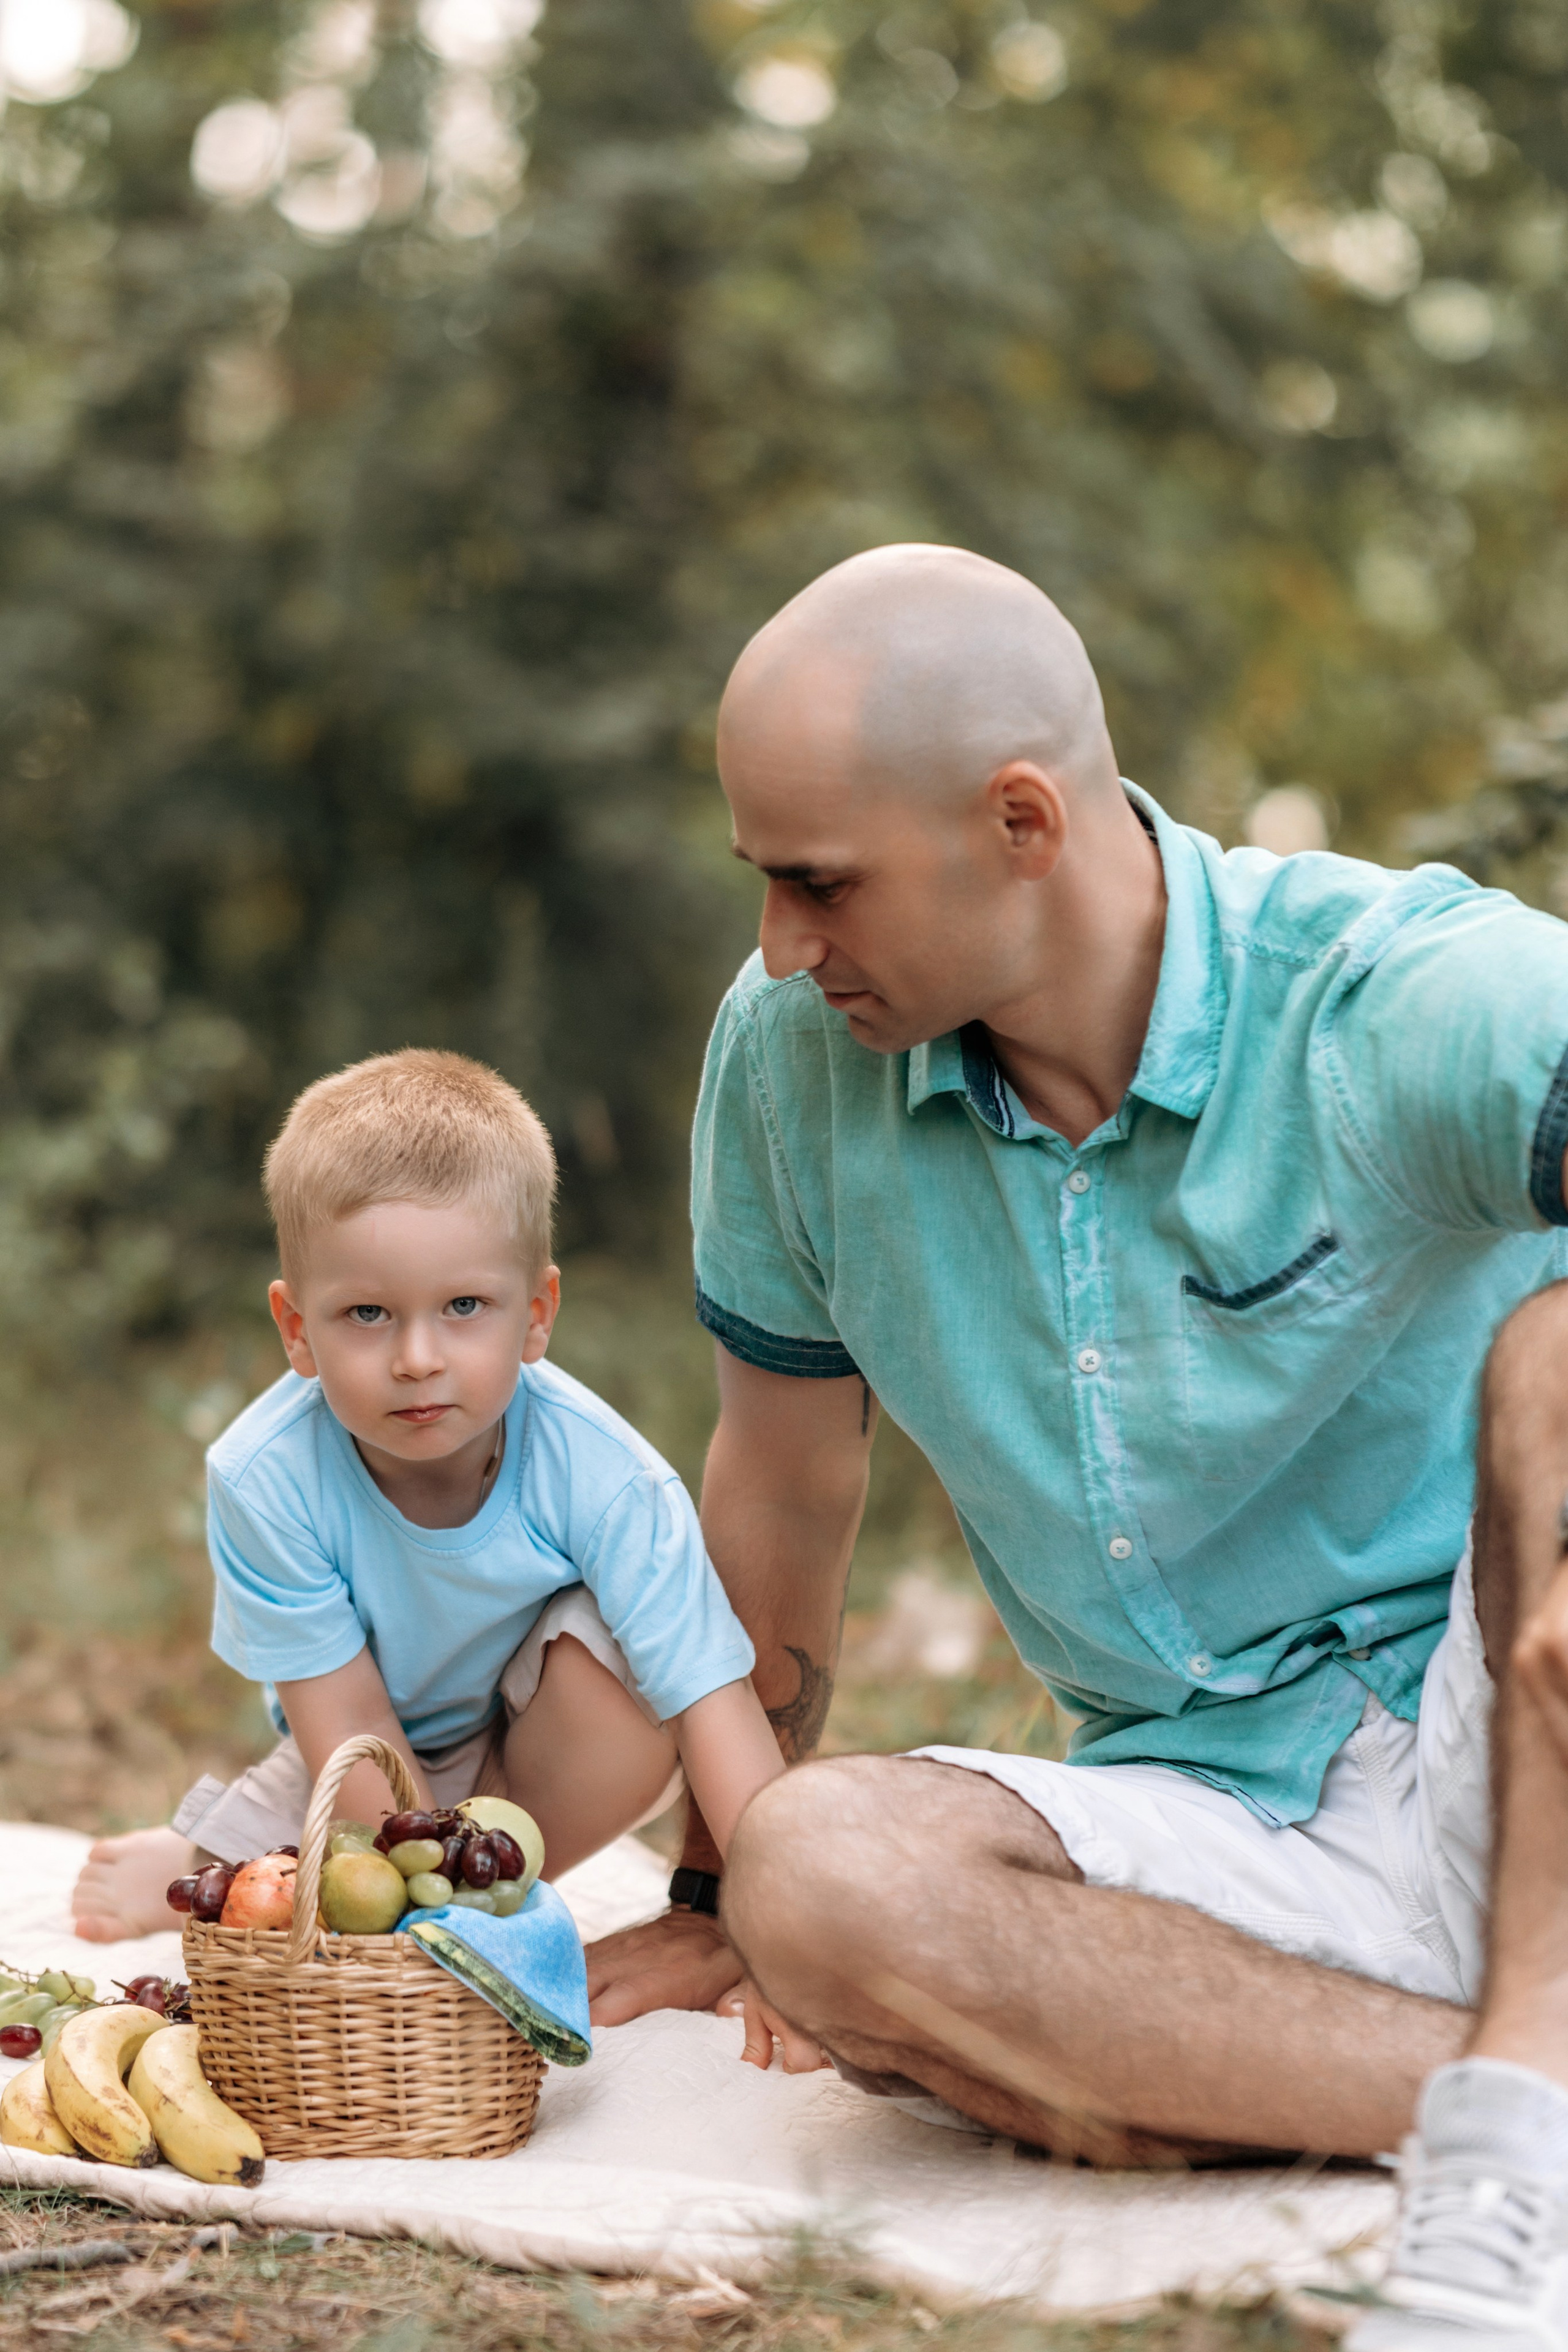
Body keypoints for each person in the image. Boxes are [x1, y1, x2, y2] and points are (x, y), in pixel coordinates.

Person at [586, 543, 1568, 2350]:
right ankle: (1508, 2093)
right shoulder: (788, 1065)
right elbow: (784, 1482)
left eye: (821, 884)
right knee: (820, 1873)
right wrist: (717, 1891)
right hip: (1210, 1827)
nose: (784, 945)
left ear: (1021, 821)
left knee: (1555, 1354)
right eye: (764, 884)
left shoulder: (1378, 996)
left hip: (1515, 1735)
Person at [72, 1049, 781, 1939]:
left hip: (534, 1735)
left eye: (465, 1307)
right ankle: (215, 1857)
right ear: (297, 1330)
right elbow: (349, 1721)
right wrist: (400, 1877)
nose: (417, 1359)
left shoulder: (610, 1479)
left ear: (537, 1314)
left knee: (640, 1666)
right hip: (357, 1744)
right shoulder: (266, 1477)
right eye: (368, 1314)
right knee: (266, 1890)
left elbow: (712, 1700)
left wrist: (774, 1930)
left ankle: (473, 1892)